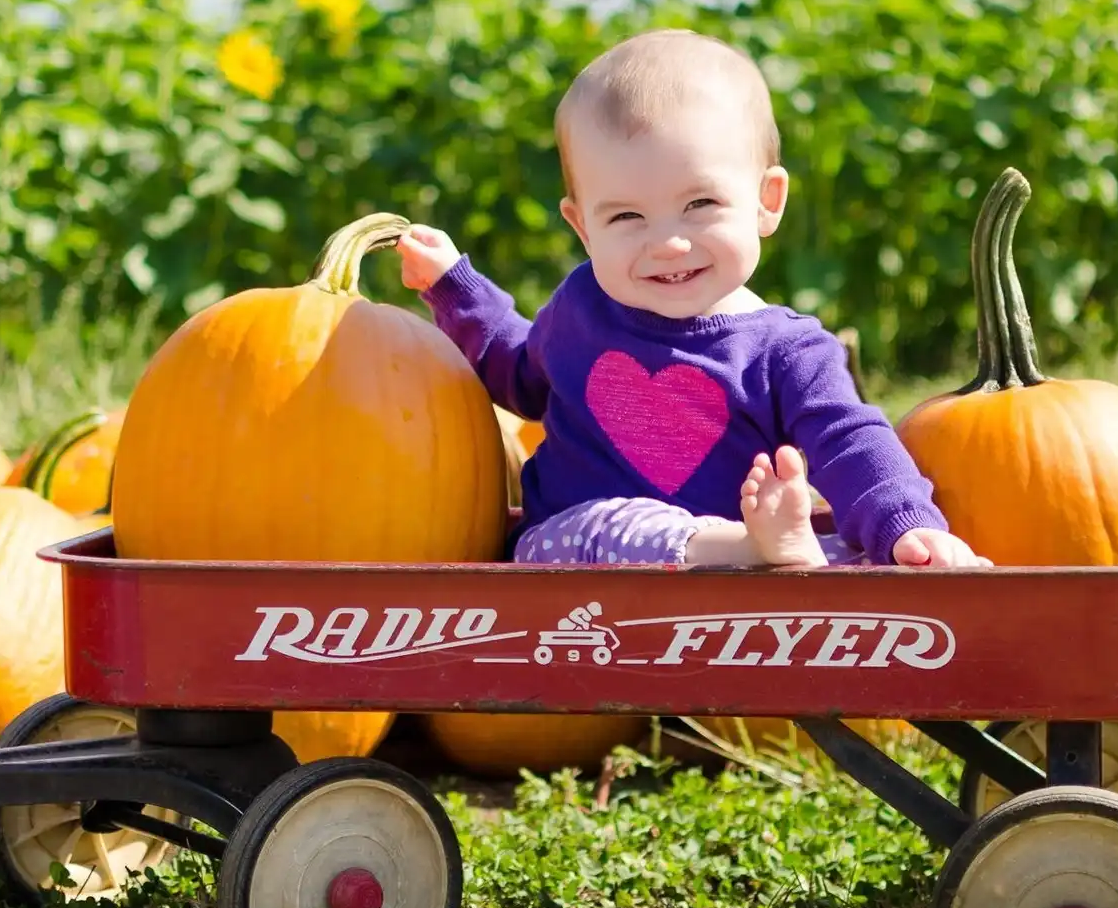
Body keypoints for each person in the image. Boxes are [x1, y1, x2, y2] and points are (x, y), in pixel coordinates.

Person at [394, 28, 989, 571]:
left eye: (700, 205)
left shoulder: (789, 349)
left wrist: (905, 529)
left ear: (766, 202)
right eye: (626, 216)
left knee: (854, 560)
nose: (670, 244)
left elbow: (851, 441)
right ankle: (752, 551)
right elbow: (518, 372)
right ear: (583, 229)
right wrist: (455, 287)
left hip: (736, 574)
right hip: (575, 564)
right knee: (607, 526)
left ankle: (765, 555)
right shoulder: (580, 305)